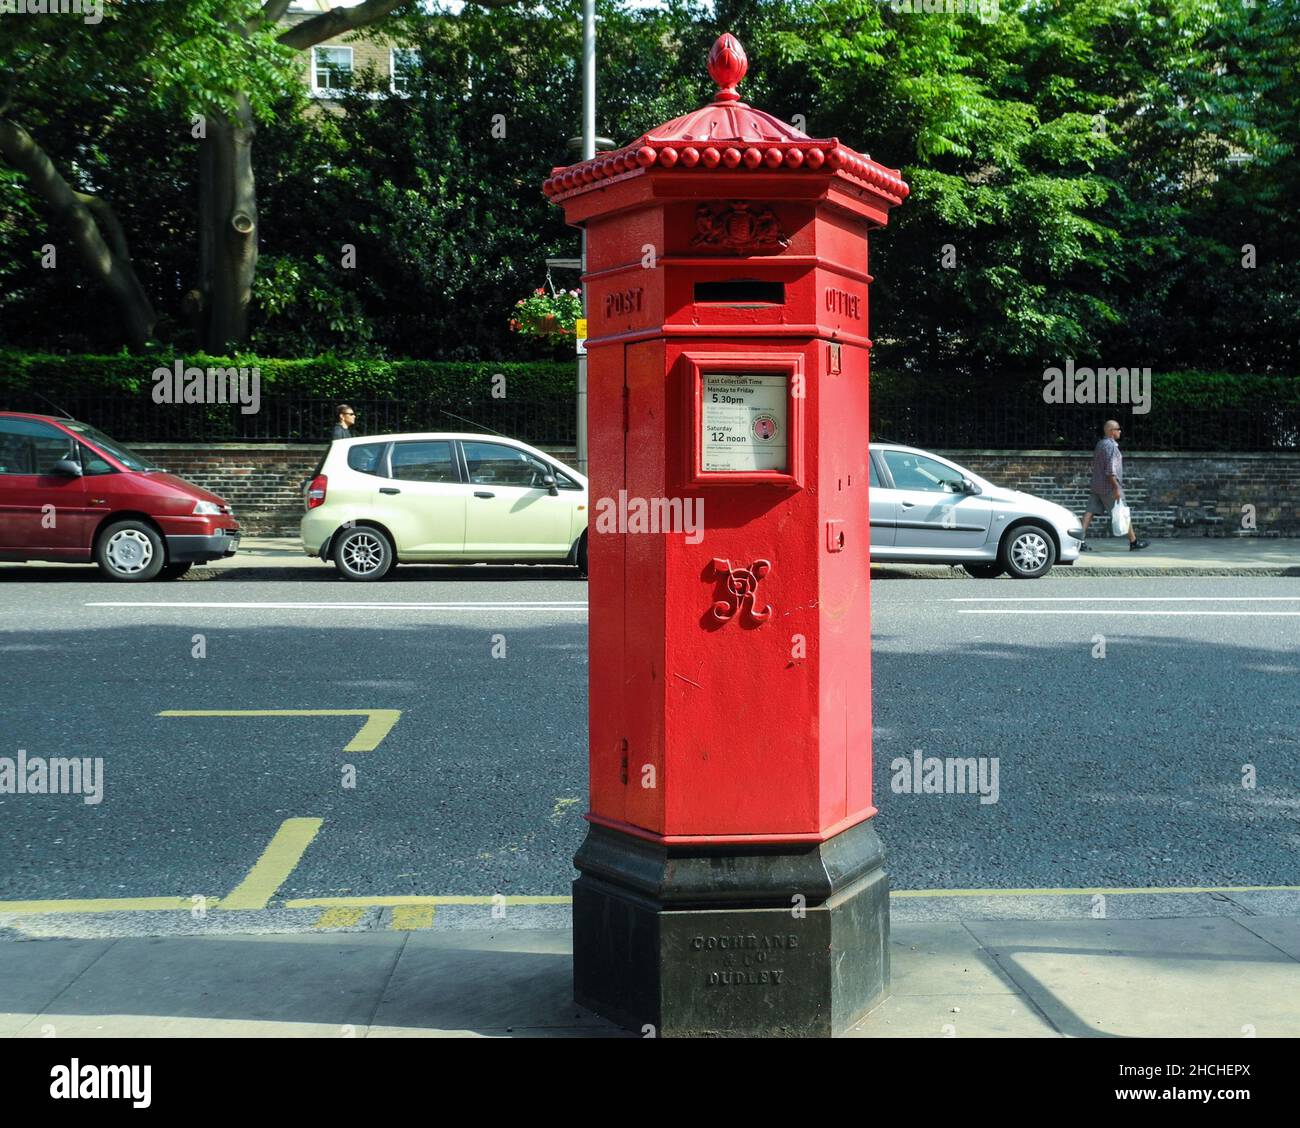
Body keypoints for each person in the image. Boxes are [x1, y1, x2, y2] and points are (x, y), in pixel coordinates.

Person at [1080, 419, 1149, 551]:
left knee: (1089, 513)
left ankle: (1079, 542)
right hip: (1109, 488)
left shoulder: (1100, 444)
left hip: (1097, 487)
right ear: (1112, 432)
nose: (1120, 431)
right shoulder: (1112, 447)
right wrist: (1116, 488)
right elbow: (1111, 471)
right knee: (1122, 512)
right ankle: (1133, 542)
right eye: (1118, 429)